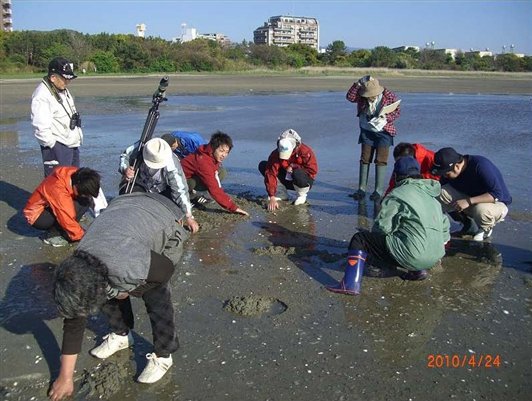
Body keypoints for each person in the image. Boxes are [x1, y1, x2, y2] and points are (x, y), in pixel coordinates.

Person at [48, 193, 190, 401]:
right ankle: (122, 335)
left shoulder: (127, 264)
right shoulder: (78, 265)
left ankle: (163, 355)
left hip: (165, 215)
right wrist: (65, 376)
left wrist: (129, 291)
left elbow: (165, 271)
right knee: (108, 290)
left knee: (155, 295)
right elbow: (74, 320)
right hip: (124, 208)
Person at [327, 157, 450, 295]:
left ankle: (349, 284)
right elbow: (445, 226)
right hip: (435, 257)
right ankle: (418, 271)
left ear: (396, 176)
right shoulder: (431, 196)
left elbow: (382, 227)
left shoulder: (398, 194)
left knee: (360, 239)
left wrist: (372, 243)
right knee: (413, 232)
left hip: (414, 254)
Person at [119, 137, 199, 233]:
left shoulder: (172, 164)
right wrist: (125, 169)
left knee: (173, 208)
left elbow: (180, 189)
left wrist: (189, 216)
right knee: (128, 202)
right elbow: (124, 155)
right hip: (138, 184)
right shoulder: (142, 146)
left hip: (160, 189)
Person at [431, 147, 511, 241]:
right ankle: (466, 223)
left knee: (481, 210)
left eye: (446, 173)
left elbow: (496, 194)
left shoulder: (481, 165)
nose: (444, 176)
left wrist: (468, 201)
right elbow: (440, 189)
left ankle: (485, 229)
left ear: (457, 166)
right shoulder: (450, 170)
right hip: (468, 198)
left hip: (496, 202)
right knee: (439, 194)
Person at [346, 75, 401, 201]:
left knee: (381, 160)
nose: (369, 97)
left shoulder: (388, 95)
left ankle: (378, 191)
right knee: (364, 159)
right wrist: (358, 83)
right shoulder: (361, 95)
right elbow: (350, 97)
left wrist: (386, 118)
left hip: (384, 132)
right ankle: (361, 189)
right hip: (366, 130)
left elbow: (397, 111)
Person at [23, 167, 101, 247]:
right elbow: (66, 217)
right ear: (75, 186)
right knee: (74, 208)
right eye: (83, 192)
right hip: (37, 216)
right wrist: (83, 237)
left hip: (51, 204)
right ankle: (53, 235)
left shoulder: (78, 175)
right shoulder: (58, 190)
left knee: (85, 200)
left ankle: (68, 228)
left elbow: (93, 188)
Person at [31, 57, 83, 177]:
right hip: (57, 146)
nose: (67, 82)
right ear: (53, 78)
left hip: (71, 143)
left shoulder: (62, 89)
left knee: (73, 182)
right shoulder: (42, 95)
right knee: (56, 184)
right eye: (64, 79)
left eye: (69, 79)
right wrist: (53, 146)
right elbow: (40, 128)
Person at [180, 131, 249, 216]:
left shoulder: (209, 154)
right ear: (213, 148)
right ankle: (189, 197)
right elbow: (214, 188)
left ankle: (194, 193)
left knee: (221, 172)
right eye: (221, 151)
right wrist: (233, 207)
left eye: (227, 152)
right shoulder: (203, 161)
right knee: (195, 183)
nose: (224, 155)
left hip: (192, 176)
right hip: (179, 183)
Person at [258, 129, 318, 211]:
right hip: (286, 178)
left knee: (297, 172)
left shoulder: (305, 151)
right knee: (264, 166)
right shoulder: (275, 154)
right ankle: (281, 193)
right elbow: (270, 173)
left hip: (302, 181)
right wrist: (271, 196)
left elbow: (312, 171)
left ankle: (301, 195)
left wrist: (294, 166)